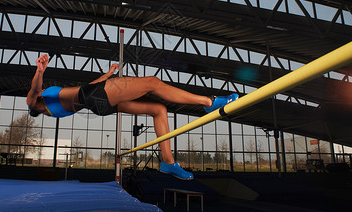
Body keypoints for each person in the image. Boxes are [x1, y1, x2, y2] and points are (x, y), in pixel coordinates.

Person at [27, 54, 238, 180]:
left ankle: (168, 162)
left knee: (159, 110)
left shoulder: (53, 105)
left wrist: (109, 74)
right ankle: (209, 103)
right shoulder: (39, 101)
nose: (41, 88)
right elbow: (34, 91)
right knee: (153, 83)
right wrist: (39, 71)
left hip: (97, 102)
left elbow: (88, 86)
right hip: (94, 96)